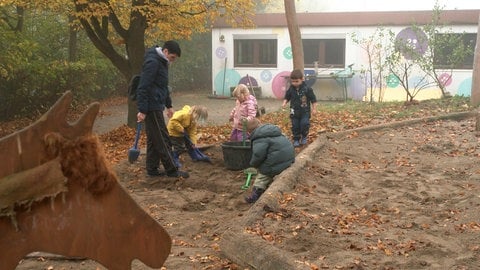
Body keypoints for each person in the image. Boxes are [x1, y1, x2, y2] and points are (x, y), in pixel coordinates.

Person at [136, 40, 189, 178]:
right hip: (151, 107)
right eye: (172, 57)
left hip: (157, 104)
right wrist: (142, 110)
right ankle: (172, 169)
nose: (172, 61)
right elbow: (143, 86)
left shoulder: (162, 62)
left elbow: (163, 86)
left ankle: (152, 169)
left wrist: (169, 105)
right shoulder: (153, 63)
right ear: (165, 52)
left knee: (154, 139)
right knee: (162, 138)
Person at [244, 118, 295, 203]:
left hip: (277, 161)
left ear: (249, 131)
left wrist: (253, 164)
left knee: (262, 176)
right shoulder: (272, 131)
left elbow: (258, 155)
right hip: (288, 159)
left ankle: (255, 195)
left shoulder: (259, 138)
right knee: (270, 162)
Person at [282, 69, 317, 147]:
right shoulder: (291, 89)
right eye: (293, 81)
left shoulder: (307, 89)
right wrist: (284, 102)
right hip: (294, 112)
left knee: (304, 124)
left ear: (302, 79)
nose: (294, 83)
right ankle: (296, 139)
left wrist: (314, 109)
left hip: (305, 112)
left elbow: (313, 100)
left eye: (296, 81)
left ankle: (304, 136)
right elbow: (287, 97)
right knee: (295, 125)